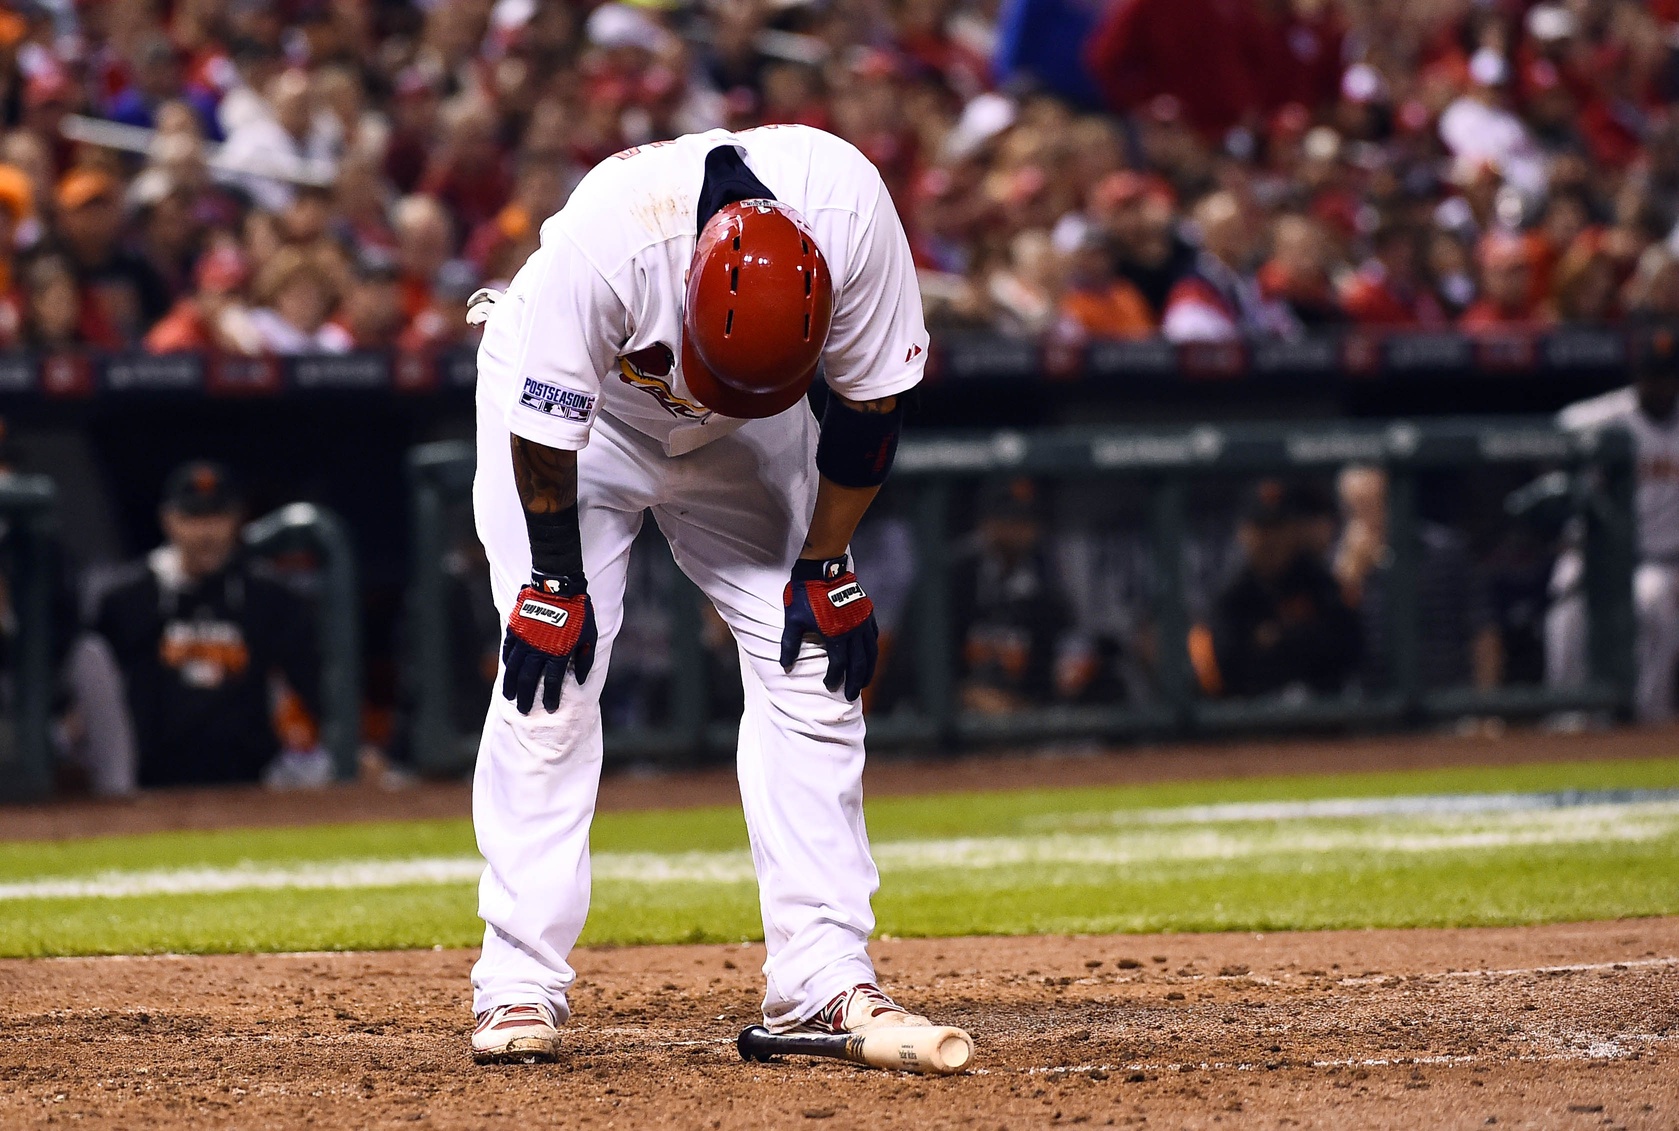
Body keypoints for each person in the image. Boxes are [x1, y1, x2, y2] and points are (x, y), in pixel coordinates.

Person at [464, 124, 957, 1065]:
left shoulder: (852, 218)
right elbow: (544, 428)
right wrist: (555, 583)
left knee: (812, 654)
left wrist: (825, 563)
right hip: (586, 421)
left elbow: (868, 412)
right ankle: (517, 981)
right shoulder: (608, 245)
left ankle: (820, 976)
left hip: (750, 435)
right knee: (552, 676)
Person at [87, 462, 324, 788]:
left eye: (217, 517)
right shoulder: (127, 598)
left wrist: (352, 748)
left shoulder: (267, 595)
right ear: (168, 520)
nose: (207, 532)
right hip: (149, 782)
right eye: (193, 518)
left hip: (250, 781)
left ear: (236, 519)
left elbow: (312, 678)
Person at [1548, 325, 1679, 723]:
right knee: (1567, 608)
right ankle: (1567, 717)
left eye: (1668, 376)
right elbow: (1553, 437)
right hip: (1597, 555)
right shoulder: (1598, 418)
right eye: (1652, 375)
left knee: (1654, 601)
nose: (1659, 385)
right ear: (1637, 375)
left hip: (1662, 559)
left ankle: (1643, 720)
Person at [1191, 480, 1361, 699]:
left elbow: (1348, 648)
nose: (1271, 540)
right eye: (1262, 529)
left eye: (1278, 527)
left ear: (1294, 530)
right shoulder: (1232, 595)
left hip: (1322, 718)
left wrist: (1278, 640)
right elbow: (1225, 667)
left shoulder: (1319, 583)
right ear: (1244, 533)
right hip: (1251, 722)